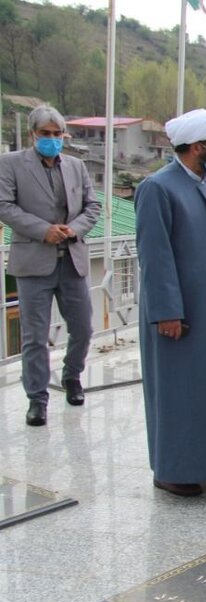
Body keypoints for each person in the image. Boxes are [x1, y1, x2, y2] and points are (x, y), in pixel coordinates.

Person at [135, 107, 206, 497]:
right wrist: (167, 311)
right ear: (198, 146)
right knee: (179, 392)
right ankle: (174, 469)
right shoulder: (158, 187)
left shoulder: (204, 183)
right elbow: (155, 255)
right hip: (179, 312)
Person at [0, 105, 100, 427]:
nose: (52, 140)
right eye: (46, 134)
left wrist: (76, 229)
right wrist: (44, 230)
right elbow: (4, 205)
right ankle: (37, 399)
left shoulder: (76, 165)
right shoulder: (11, 164)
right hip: (33, 261)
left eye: (58, 134)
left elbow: (92, 205)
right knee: (34, 336)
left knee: (83, 328)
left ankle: (72, 375)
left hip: (72, 259)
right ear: (33, 135)